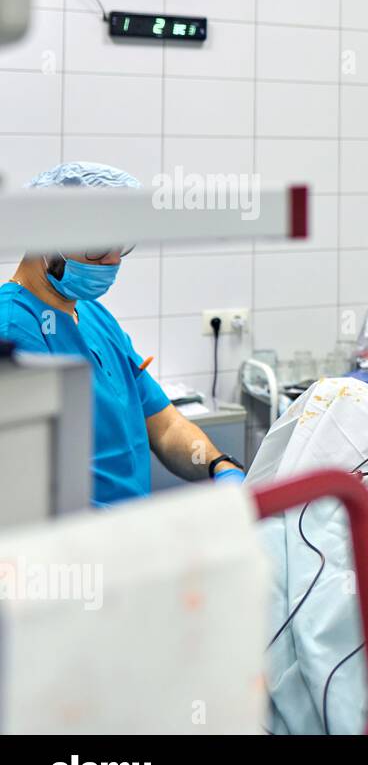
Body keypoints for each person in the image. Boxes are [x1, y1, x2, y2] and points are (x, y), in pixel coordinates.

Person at [0, 162, 245, 507]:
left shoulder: (92, 314)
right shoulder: (12, 329)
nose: (114, 260)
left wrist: (217, 466)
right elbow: (24, 483)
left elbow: (164, 424)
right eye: (99, 244)